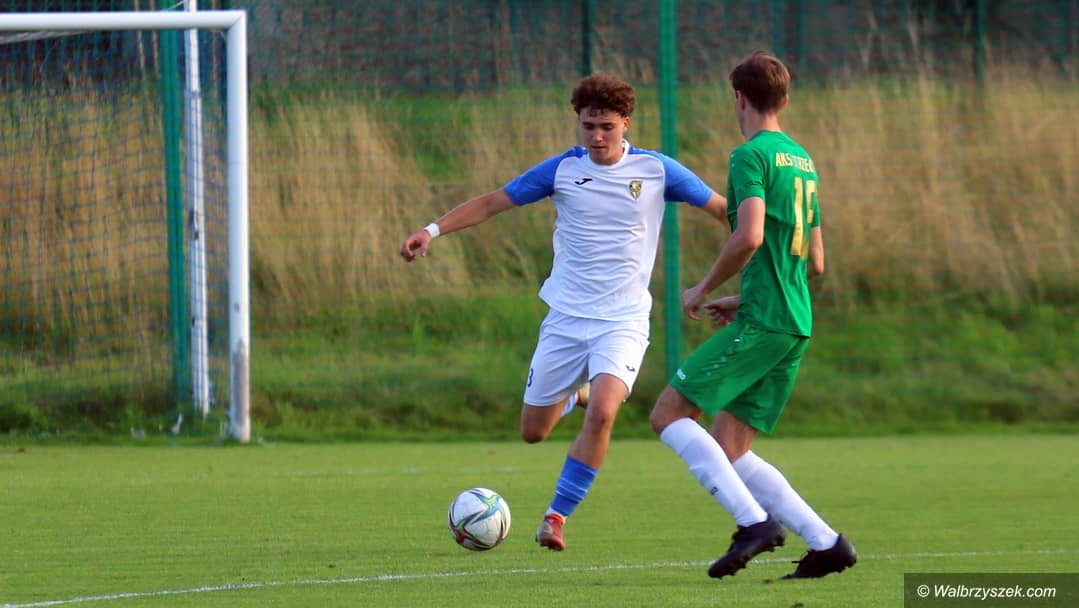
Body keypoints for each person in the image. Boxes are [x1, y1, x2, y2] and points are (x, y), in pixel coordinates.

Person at [401, 73, 728, 551]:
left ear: (626, 123)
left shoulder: (657, 170)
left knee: (605, 412)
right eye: (588, 126)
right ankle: (576, 395)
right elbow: (493, 202)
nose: (597, 136)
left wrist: (760, 247)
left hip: (623, 321)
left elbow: (724, 210)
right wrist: (431, 230)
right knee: (533, 432)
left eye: (607, 127)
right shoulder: (561, 170)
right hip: (566, 320)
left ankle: (556, 518)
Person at [648, 51, 857, 580]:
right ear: (784, 100)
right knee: (730, 445)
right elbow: (814, 261)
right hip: (793, 322)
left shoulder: (750, 156)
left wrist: (703, 288)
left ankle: (754, 525)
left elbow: (750, 236)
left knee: (669, 415)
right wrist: (742, 298)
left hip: (765, 322)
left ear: (738, 98)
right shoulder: (802, 159)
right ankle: (827, 544)